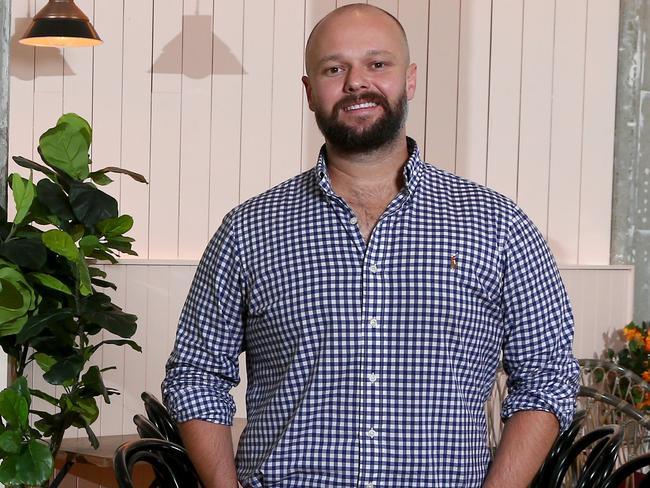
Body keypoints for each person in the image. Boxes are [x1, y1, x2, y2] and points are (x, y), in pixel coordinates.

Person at [162, 4, 579, 487]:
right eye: (334, 68)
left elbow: (548, 375)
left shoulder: (499, 225)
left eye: (377, 64)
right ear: (309, 92)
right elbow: (196, 374)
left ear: (411, 79)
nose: (357, 82)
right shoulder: (248, 230)